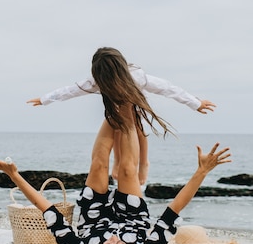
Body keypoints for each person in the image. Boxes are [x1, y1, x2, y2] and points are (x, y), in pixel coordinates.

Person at [0, 117, 231, 244]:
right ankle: (125, 107)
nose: (114, 238)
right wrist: (202, 172)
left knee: (100, 166)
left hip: (93, 218)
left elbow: (48, 210)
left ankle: (112, 107)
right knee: (126, 169)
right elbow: (172, 211)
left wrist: (14, 175)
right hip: (133, 217)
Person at [27, 47, 215, 185]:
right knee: (117, 127)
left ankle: (144, 163)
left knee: (137, 130)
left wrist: (195, 103)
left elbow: (168, 89)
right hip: (115, 109)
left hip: (133, 105)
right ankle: (117, 160)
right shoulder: (95, 82)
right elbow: (69, 91)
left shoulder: (137, 77)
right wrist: (44, 99)